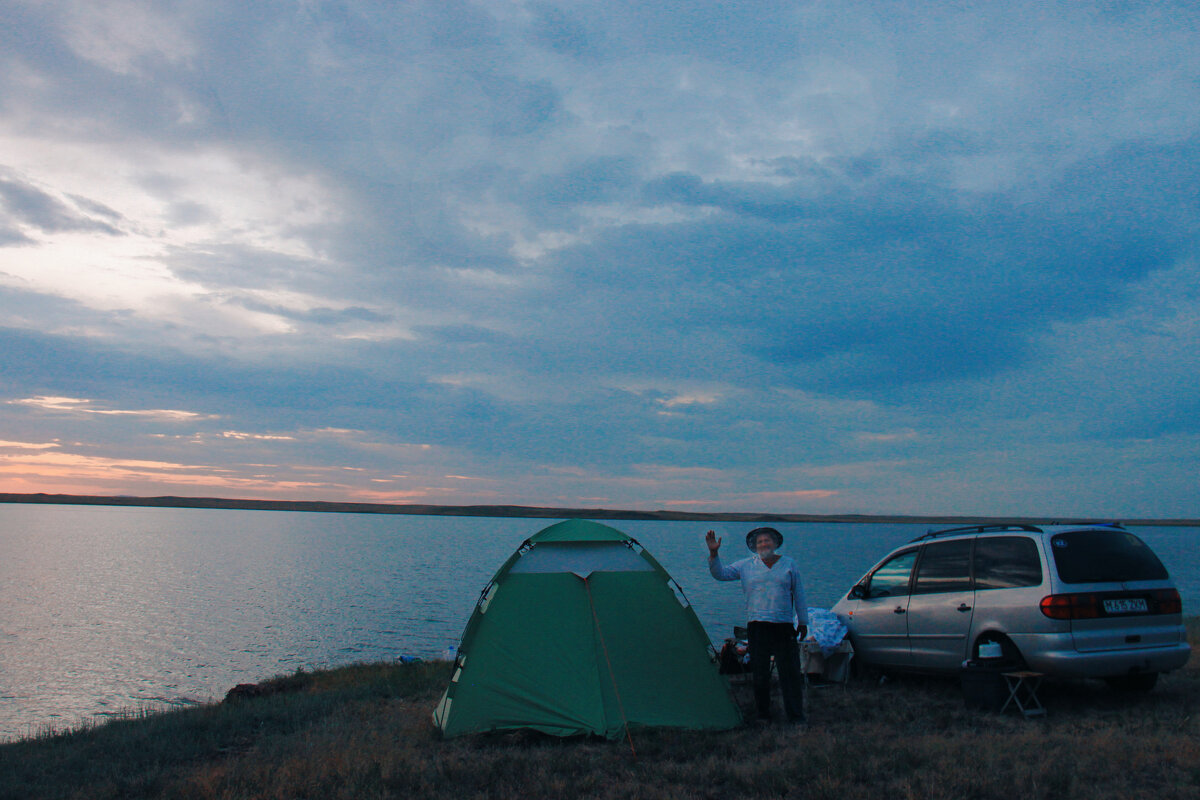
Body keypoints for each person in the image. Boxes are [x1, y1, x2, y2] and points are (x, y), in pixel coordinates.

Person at [707, 526, 809, 724]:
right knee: (760, 673)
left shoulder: (789, 564)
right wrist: (714, 552)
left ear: (775, 543)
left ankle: (796, 716)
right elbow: (720, 574)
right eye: (760, 542)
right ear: (754, 546)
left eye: (767, 541)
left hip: (783, 626)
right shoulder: (746, 565)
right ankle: (763, 715)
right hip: (758, 626)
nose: (763, 544)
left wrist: (803, 621)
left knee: (789, 672)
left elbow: (799, 594)